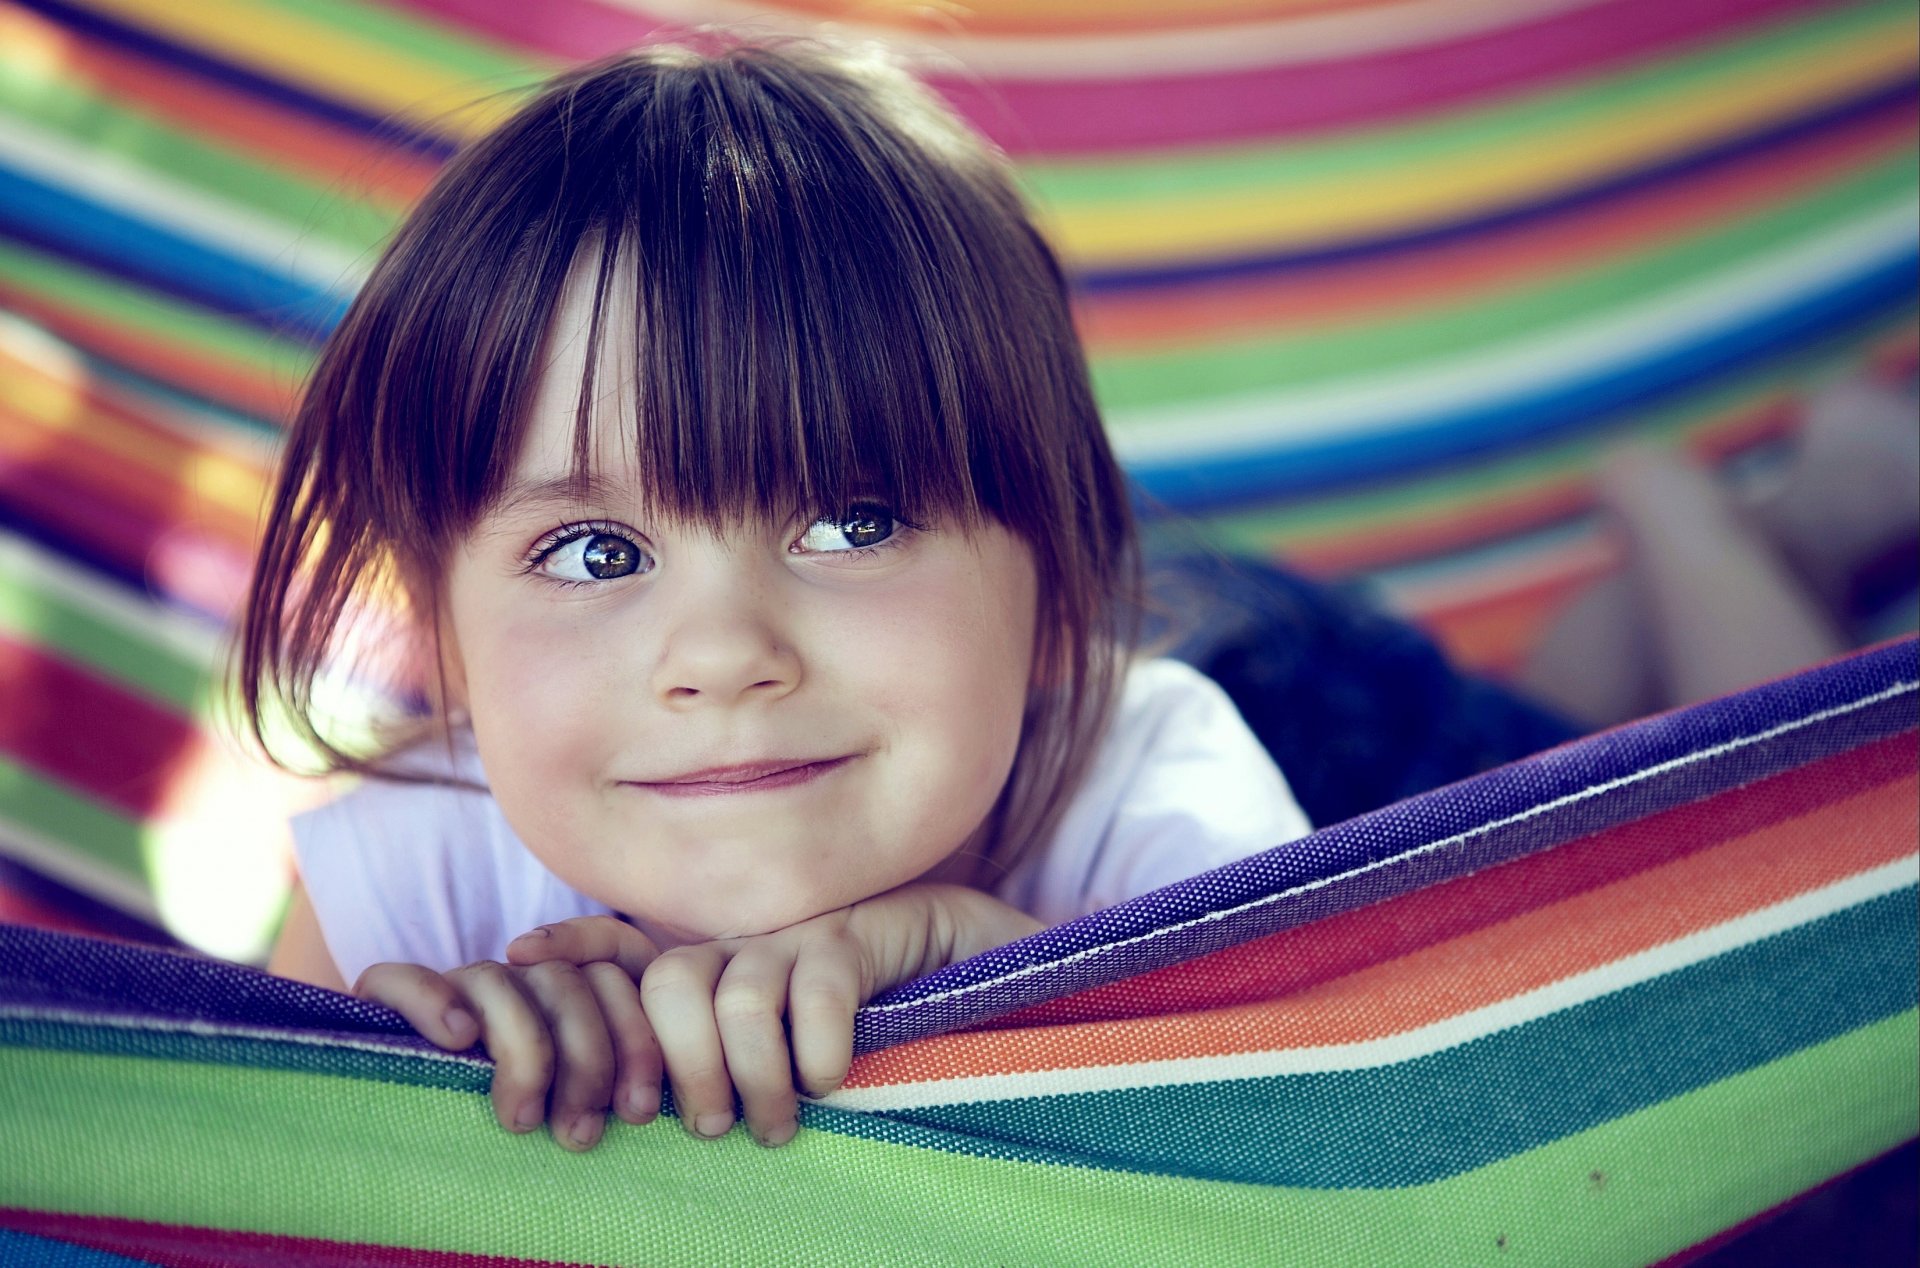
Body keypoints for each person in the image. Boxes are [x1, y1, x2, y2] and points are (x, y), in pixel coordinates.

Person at [242, 41, 1311, 1155]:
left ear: (1061, 587)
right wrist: (403, 1112)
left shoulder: (1156, 797)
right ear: (444, 640)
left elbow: (1330, 1165)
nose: (721, 654)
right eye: (596, 553)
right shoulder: (415, 877)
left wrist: (999, 975)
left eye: (855, 523)